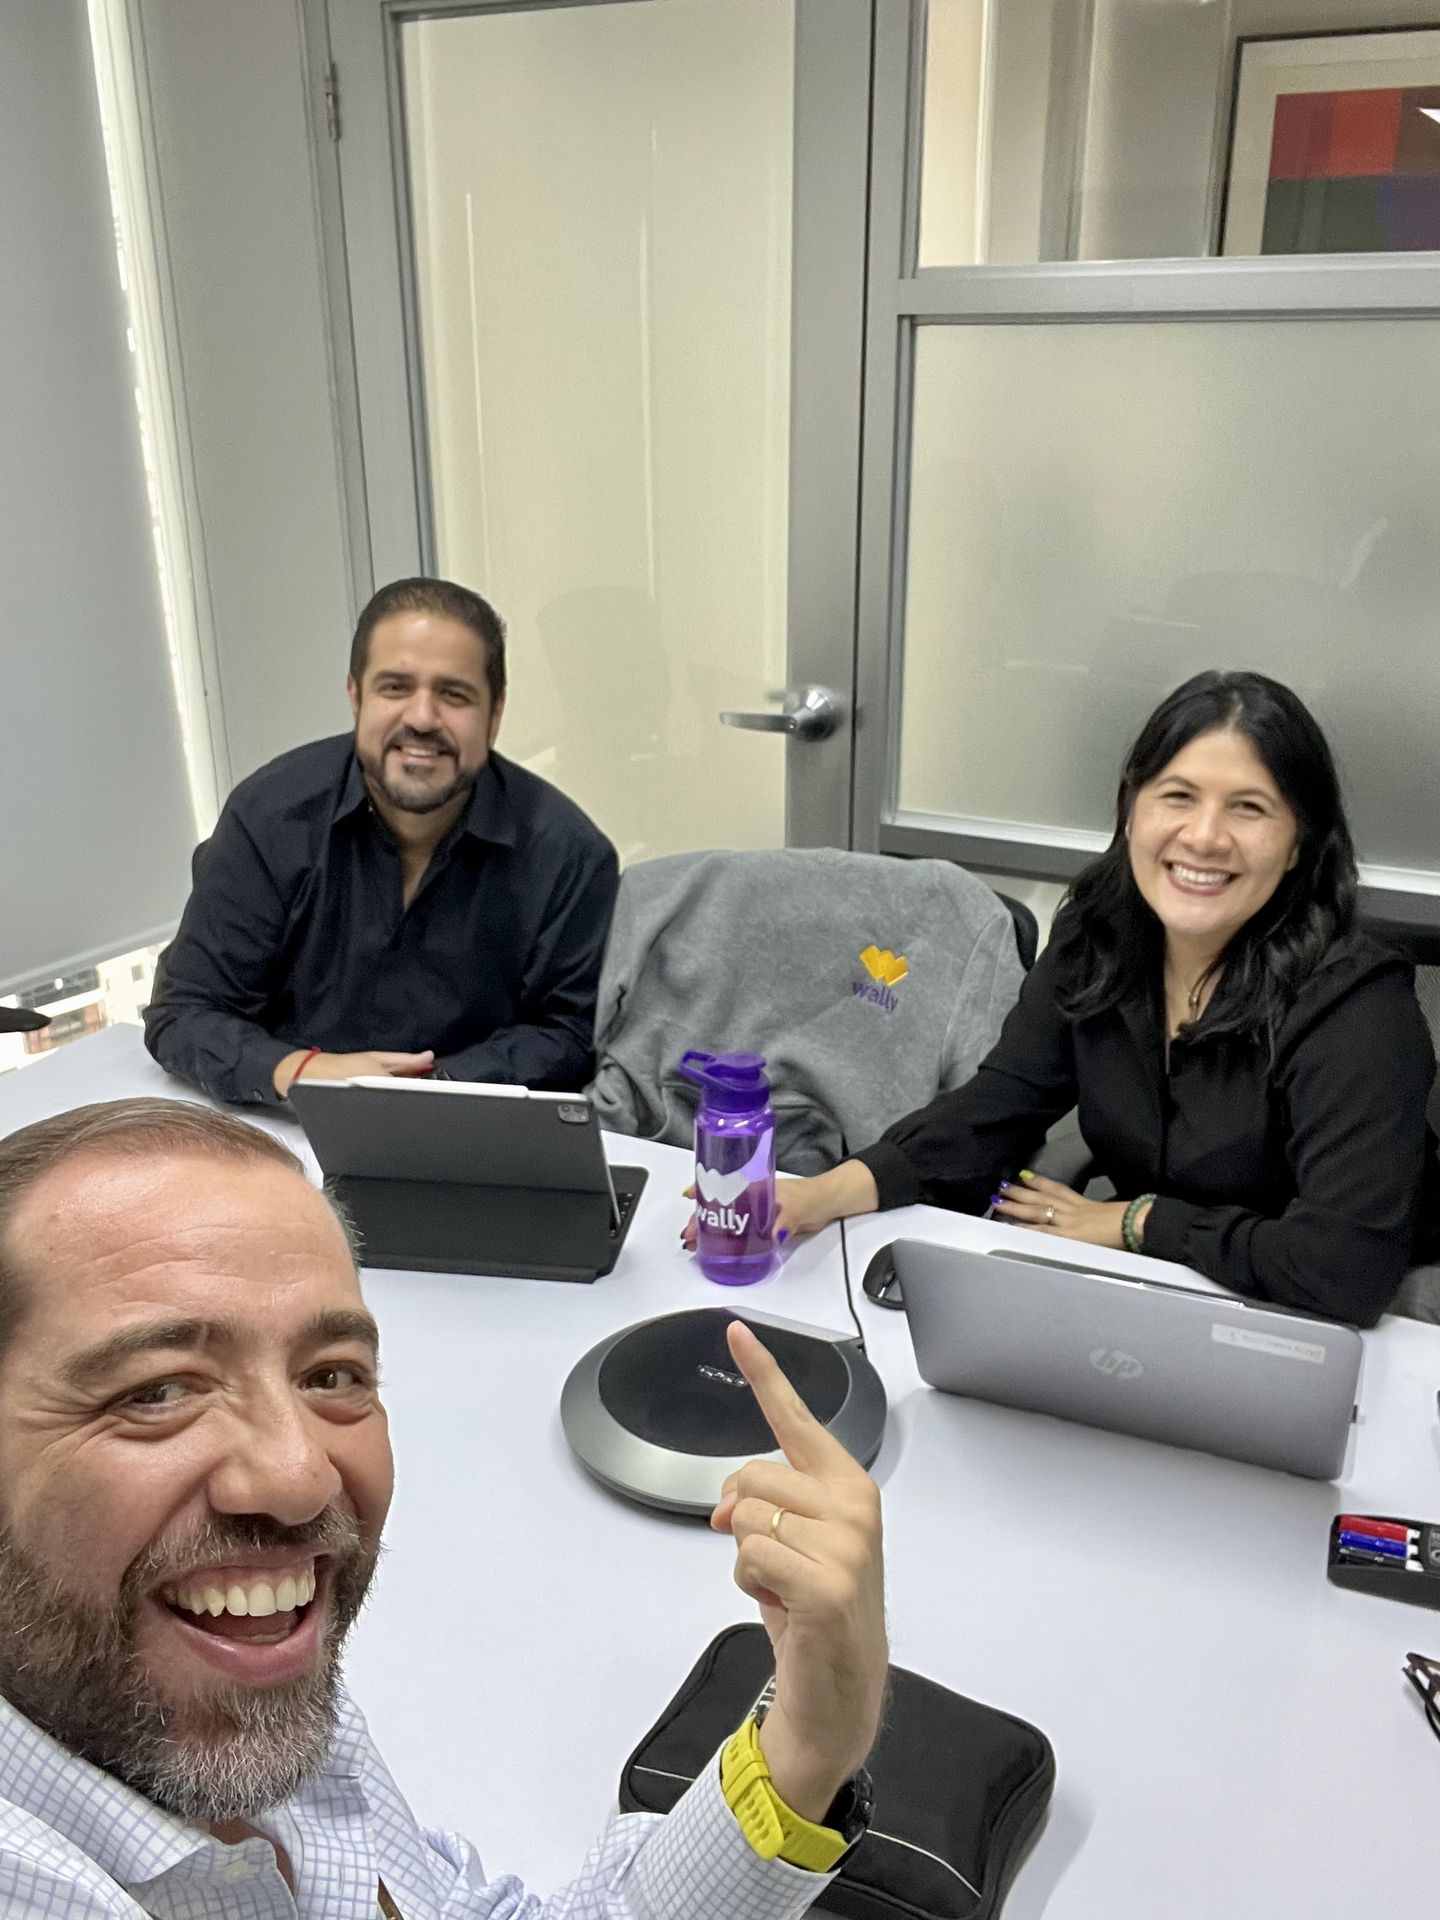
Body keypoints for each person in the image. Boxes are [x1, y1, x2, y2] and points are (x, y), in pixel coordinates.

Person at [0, 1098, 887, 1916]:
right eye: (156, 1391)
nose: (301, 1477)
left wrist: (803, 1753)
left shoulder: (229, 1668)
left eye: (330, 1376)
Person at [776, 671, 1440, 1327]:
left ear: (1299, 844)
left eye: (1249, 807)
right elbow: (995, 1111)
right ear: (1132, 810)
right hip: (1157, 1291)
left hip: (1330, 1318)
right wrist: (820, 1196)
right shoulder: (1098, 938)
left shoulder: (1359, 1009)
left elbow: (1341, 1268)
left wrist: (1140, 1222)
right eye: (1178, 796)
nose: (1204, 836)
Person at [144, 577, 619, 1105]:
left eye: (454, 694)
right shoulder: (270, 818)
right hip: (284, 1118)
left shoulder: (568, 855)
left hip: (474, 1128)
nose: (422, 718)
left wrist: (429, 1088)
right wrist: (304, 1071)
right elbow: (184, 1012)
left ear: (495, 713)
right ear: (356, 697)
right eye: (395, 687)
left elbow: (570, 1034)